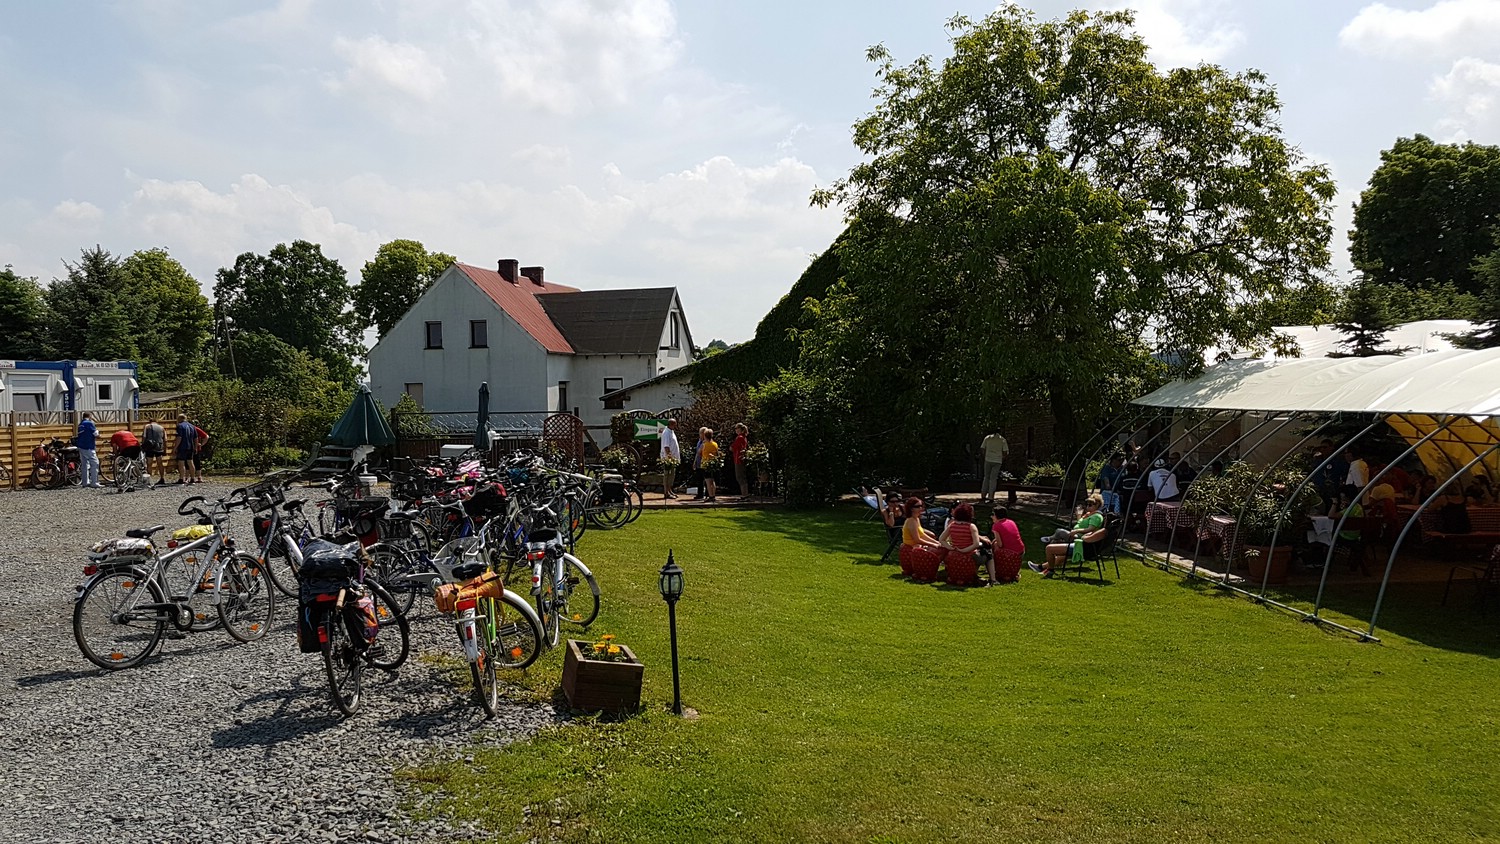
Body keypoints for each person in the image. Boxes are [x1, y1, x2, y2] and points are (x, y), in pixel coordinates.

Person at [1031, 494, 1107, 578]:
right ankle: (1041, 567)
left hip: (1080, 542)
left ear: (1097, 505)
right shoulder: (1090, 515)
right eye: (1087, 504)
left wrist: (1076, 531)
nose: (1087, 507)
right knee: (1059, 551)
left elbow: (1090, 529)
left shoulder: (1096, 516)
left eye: (1090, 505)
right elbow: (1081, 524)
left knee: (1054, 541)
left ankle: (1049, 569)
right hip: (1081, 542)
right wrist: (1079, 515)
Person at [939, 501, 989, 578]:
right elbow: (976, 544)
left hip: (955, 552)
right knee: (989, 555)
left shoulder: (952, 525)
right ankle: (992, 578)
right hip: (970, 554)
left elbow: (941, 539)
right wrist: (964, 550)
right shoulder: (971, 526)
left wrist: (951, 548)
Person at [988, 506, 1026, 585]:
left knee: (995, 546)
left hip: (1010, 554)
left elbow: (1000, 544)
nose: (991, 516)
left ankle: (993, 569)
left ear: (996, 515)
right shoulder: (1011, 522)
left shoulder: (996, 526)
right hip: (1020, 551)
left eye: (993, 514)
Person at [979, 430, 1010, 503]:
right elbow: (1005, 452)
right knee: (993, 479)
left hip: (988, 459)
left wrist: (986, 456)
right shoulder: (1002, 440)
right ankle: (991, 497)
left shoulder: (987, 438)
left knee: (986, 477)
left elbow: (982, 448)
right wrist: (1001, 458)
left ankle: (983, 495)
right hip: (997, 461)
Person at [76, 412, 100, 488]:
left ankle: (85, 482)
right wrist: (99, 435)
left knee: (84, 465)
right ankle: (94, 482)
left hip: (81, 446)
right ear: (90, 416)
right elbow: (95, 434)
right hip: (89, 446)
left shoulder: (80, 424)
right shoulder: (90, 423)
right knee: (95, 463)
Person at [142, 417, 167, 486]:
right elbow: (165, 439)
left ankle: (150, 480)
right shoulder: (162, 428)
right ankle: (162, 478)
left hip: (149, 447)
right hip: (159, 447)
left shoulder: (147, 427)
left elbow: (144, 437)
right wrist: (165, 449)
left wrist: (143, 446)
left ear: (150, 421)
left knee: (149, 463)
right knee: (160, 463)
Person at [659, 419, 681, 499]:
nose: (675, 426)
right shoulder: (666, 433)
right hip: (668, 458)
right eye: (674, 424)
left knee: (672, 475)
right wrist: (669, 457)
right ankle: (666, 492)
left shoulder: (671, 431)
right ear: (671, 424)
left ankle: (669, 490)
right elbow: (666, 446)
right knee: (667, 475)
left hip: (673, 458)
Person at [174, 413, 197, 484]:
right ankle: (192, 478)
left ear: (180, 419)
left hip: (182, 446)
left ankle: (182, 478)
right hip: (190, 446)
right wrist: (195, 447)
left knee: (181, 462)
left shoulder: (180, 426)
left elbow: (179, 437)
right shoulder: (192, 426)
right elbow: (195, 438)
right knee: (190, 462)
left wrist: (175, 447)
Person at [700, 429, 720, 501]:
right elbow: (717, 454)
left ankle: (710, 496)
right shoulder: (715, 444)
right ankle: (713, 495)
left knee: (708, 481)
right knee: (712, 480)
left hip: (706, 463)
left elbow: (699, 452)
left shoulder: (704, 445)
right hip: (713, 464)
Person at [731, 422, 750, 498]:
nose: (735, 430)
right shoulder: (744, 437)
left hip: (738, 459)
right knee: (742, 477)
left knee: (740, 477)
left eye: (736, 428)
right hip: (740, 458)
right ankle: (744, 494)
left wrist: (732, 447)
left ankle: (745, 495)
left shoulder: (740, 437)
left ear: (740, 429)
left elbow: (733, 447)